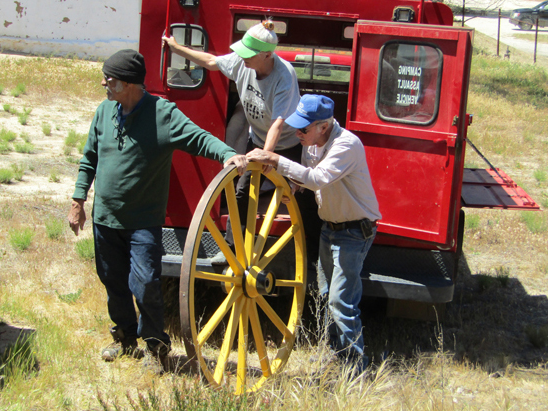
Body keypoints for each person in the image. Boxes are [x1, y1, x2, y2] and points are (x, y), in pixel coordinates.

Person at [67, 49, 247, 365]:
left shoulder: (162, 115)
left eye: (109, 80)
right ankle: (124, 339)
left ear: (129, 84)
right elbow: (89, 157)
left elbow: (198, 137)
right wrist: (78, 200)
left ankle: (155, 346)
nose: (104, 84)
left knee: (145, 283)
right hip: (105, 219)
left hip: (142, 222)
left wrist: (226, 154)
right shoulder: (104, 112)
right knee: (113, 282)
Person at [162, 21, 322, 266]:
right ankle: (230, 248)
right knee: (243, 189)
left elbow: (278, 124)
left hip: (288, 143)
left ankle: (313, 256)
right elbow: (211, 61)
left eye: (249, 53)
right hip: (257, 139)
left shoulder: (284, 76)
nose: (242, 57)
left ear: (267, 54)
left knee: (302, 197)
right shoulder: (241, 61)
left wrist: (267, 156)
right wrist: (177, 48)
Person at [246, 94, 381, 370]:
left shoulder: (347, 145)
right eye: (297, 127)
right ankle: (336, 355)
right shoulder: (312, 144)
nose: (298, 134)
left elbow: (318, 178)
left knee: (341, 302)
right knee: (324, 296)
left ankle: (356, 368)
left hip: (354, 232)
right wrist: (293, 187)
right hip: (329, 229)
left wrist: (275, 159)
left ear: (324, 125)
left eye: (304, 129)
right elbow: (308, 175)